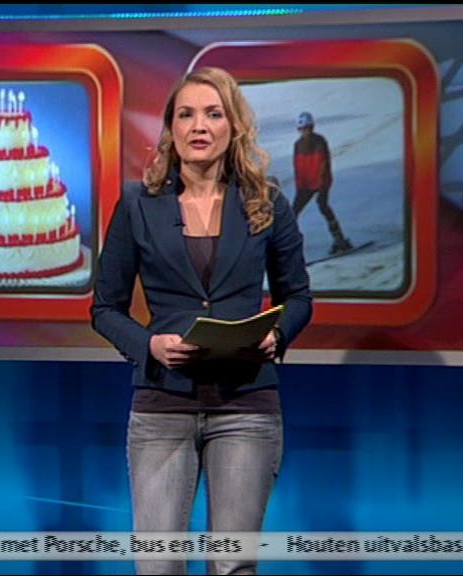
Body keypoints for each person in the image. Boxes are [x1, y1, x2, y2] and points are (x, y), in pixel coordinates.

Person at [91, 67, 312, 575]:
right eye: (186, 114)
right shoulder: (138, 204)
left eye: (213, 114)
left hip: (246, 406)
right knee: (159, 567)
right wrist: (150, 346)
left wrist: (277, 334)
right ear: (170, 127)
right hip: (162, 406)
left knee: (232, 566)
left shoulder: (266, 202)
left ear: (233, 125)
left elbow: (298, 296)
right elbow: (105, 309)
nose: (199, 126)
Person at [292, 111, 353, 255]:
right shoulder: (297, 145)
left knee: (323, 205)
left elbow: (324, 163)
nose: (304, 132)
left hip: (321, 181)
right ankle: (287, 246)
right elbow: (298, 168)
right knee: (293, 212)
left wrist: (321, 184)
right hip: (306, 184)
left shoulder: (319, 141)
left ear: (312, 127)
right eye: (301, 129)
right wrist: (300, 186)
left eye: (307, 128)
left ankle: (339, 240)